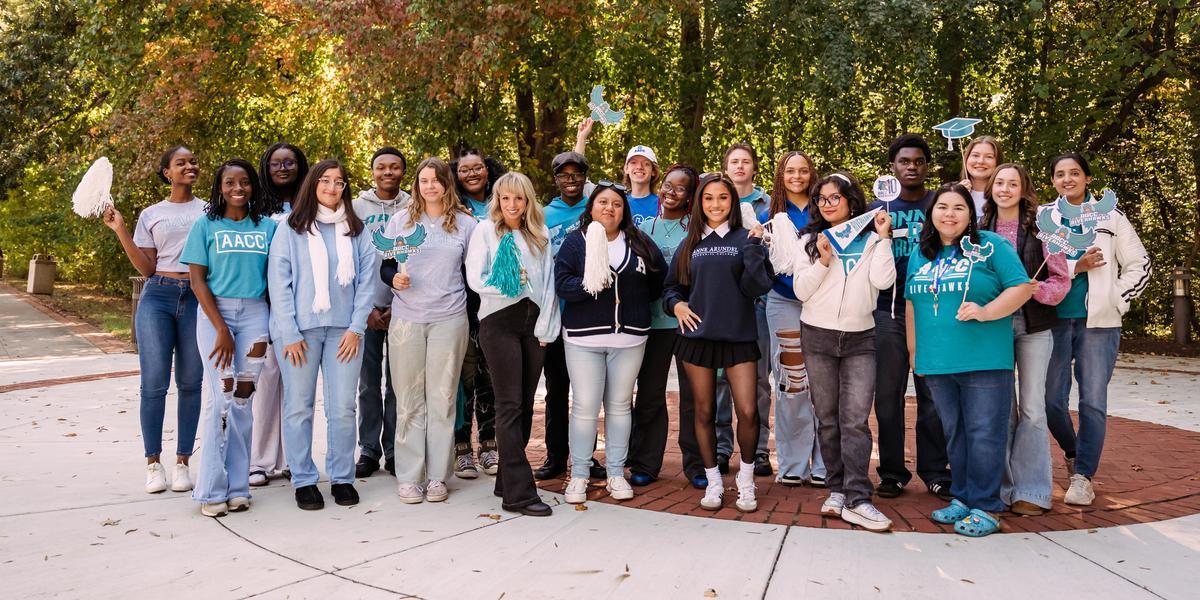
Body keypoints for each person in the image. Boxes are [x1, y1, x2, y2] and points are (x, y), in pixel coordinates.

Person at [906, 183, 1033, 537]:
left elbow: (1021, 287)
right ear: (931, 213)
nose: (950, 214)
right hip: (938, 361)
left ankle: (987, 506)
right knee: (956, 433)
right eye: (942, 207)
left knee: (984, 434)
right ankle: (962, 496)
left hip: (984, 360)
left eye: (959, 208)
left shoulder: (990, 245)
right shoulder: (922, 252)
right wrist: (915, 352)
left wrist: (986, 311)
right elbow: (912, 304)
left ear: (971, 213)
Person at [268, 159, 378, 511]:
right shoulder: (291, 227)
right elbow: (279, 283)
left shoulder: (356, 230)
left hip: (344, 332)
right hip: (299, 333)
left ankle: (342, 477)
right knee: (299, 407)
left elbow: (367, 284)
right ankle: (303, 479)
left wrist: (356, 327)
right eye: (326, 181)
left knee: (342, 408)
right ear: (313, 184)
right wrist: (289, 332)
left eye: (340, 182)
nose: (332, 188)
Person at [1044, 153, 1151, 506]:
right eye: (1060, 174)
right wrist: (1077, 266)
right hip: (1054, 320)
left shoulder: (1110, 215)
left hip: (1099, 325)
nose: (1068, 179)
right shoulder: (1045, 218)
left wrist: (1116, 299)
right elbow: (1035, 267)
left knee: (1092, 401)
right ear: (1053, 181)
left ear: (1088, 178)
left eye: (1075, 173)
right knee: (1051, 401)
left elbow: (1139, 264)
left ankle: (1083, 476)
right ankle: (1074, 450)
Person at [792, 172, 896, 532]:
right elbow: (801, 291)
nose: (829, 204)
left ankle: (859, 497)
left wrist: (883, 239)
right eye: (822, 199)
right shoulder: (809, 239)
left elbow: (883, 282)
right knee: (829, 418)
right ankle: (836, 490)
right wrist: (822, 260)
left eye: (836, 197)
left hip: (860, 338)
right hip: (817, 335)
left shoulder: (871, 240)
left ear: (852, 200)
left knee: (855, 419)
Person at [664, 173, 773, 512]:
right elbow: (672, 289)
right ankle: (713, 481)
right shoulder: (691, 242)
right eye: (708, 198)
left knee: (748, 410)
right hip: (697, 339)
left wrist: (756, 248)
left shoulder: (746, 238)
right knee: (704, 411)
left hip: (738, 337)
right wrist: (677, 305)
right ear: (699, 203)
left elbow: (758, 286)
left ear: (733, 203)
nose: (715, 204)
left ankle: (746, 481)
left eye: (722, 198)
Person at [555, 181, 667, 504]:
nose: (609, 208)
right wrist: (589, 285)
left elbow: (658, 279)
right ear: (591, 208)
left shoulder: (639, 241)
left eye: (616, 204)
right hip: (583, 338)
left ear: (624, 211)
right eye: (602, 202)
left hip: (630, 338)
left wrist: (635, 304)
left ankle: (616, 472)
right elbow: (562, 284)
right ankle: (579, 475)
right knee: (586, 406)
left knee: (619, 406)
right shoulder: (577, 243)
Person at [102, 146, 205, 494]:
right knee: (154, 384)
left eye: (192, 162)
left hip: (197, 297)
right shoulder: (151, 213)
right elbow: (146, 268)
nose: (189, 166)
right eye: (181, 163)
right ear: (167, 172)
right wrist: (120, 229)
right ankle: (153, 464)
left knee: (191, 382)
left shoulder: (209, 210)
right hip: (158, 295)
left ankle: (182, 464)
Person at [181, 158, 276, 517]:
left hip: (255, 314)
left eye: (245, 182)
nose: (238, 188)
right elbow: (196, 281)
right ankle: (210, 490)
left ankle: (238, 487)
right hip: (214, 314)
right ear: (219, 188)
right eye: (230, 183)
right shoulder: (205, 226)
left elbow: (277, 278)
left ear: (254, 186)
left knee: (243, 399)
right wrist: (221, 327)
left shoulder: (268, 228)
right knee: (219, 399)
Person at [382, 157, 477, 504]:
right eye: (424, 180)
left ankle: (438, 475)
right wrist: (393, 278)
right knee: (408, 400)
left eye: (436, 180)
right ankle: (409, 476)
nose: (430, 186)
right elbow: (386, 265)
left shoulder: (465, 224)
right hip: (407, 318)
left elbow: (477, 271)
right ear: (416, 185)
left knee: (443, 398)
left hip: (449, 318)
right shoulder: (401, 221)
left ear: (446, 184)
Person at [465, 172, 560, 516]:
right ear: (498, 200)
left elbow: (548, 284)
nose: (512, 205)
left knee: (523, 404)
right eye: (505, 198)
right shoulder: (485, 231)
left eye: (518, 198)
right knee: (508, 406)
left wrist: (548, 328)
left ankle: (506, 478)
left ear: (528, 200)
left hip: (533, 325)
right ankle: (519, 494)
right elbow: (476, 278)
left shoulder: (540, 234)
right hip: (499, 322)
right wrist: (508, 284)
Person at [980, 163, 1070, 516]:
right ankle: (1002, 487)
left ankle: (1031, 491)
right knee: (1001, 409)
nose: (1004, 189)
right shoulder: (978, 230)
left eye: (1012, 183)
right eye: (999, 183)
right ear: (991, 188)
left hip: (1034, 325)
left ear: (1023, 189)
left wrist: (1036, 290)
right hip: (992, 326)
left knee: (1032, 409)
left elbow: (1060, 281)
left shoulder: (1043, 231)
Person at [869, 134, 952, 501]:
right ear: (893, 167)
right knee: (887, 395)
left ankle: (935, 471)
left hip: (932, 309)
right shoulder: (878, 207)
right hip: (888, 309)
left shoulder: (941, 203)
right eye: (904, 161)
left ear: (927, 166)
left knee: (932, 394)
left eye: (919, 161)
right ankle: (891, 472)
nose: (912, 167)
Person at [536, 119, 602, 481]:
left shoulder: (596, 210)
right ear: (557, 179)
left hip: (589, 315)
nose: (571, 180)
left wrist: (582, 140)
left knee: (587, 395)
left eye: (577, 174)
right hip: (557, 316)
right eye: (565, 175)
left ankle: (586, 457)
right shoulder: (544, 215)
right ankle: (555, 456)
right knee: (557, 392)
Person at [761, 150, 826, 487]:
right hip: (784, 302)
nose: (797, 177)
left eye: (803, 171)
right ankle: (793, 464)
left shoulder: (825, 209)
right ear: (780, 175)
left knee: (824, 383)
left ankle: (823, 465)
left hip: (824, 304)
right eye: (790, 171)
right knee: (792, 383)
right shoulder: (768, 214)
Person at [632, 164, 699, 487]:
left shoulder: (696, 231)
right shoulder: (644, 228)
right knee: (649, 394)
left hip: (689, 323)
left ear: (691, 195)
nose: (671, 192)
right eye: (668, 186)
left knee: (694, 397)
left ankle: (698, 465)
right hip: (653, 323)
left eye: (680, 188)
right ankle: (645, 462)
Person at [249, 142, 309, 487]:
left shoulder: (310, 204)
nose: (283, 168)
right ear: (267, 168)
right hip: (267, 304)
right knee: (267, 383)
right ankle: (259, 461)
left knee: (297, 388)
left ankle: (291, 459)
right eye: (276, 163)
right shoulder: (257, 206)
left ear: (300, 166)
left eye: (289, 162)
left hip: (304, 306)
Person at [352, 147, 411, 478]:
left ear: (403, 171)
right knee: (368, 385)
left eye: (394, 167)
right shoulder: (357, 207)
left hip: (405, 306)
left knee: (398, 385)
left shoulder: (412, 206)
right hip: (367, 307)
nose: (387, 172)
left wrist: (396, 304)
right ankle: (369, 450)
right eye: (381, 167)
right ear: (372, 171)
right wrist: (366, 308)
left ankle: (393, 449)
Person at [719, 143, 773, 477]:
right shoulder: (715, 199)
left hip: (760, 303)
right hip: (724, 303)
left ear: (754, 167)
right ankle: (722, 447)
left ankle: (761, 449)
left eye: (746, 162)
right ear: (726, 168)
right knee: (722, 378)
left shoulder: (768, 204)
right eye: (734, 162)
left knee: (759, 379)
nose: (740, 166)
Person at [451, 148, 504, 479]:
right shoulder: (451, 206)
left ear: (488, 170)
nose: (472, 174)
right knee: (463, 374)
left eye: (478, 168)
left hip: (497, 300)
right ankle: (461, 449)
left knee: (491, 374)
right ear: (455, 175)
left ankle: (488, 445)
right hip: (462, 299)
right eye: (464, 169)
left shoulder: (502, 201)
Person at [960, 136, 1003, 215]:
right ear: (966, 159)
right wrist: (957, 195)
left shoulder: (1005, 195)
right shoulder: (951, 193)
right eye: (975, 155)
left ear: (997, 162)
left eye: (989, 157)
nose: (980, 161)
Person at [622, 145, 660, 226]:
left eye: (646, 164)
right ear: (626, 169)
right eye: (633, 162)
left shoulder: (662, 205)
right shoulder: (620, 203)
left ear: (653, 171)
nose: (639, 167)